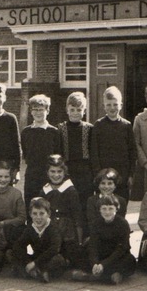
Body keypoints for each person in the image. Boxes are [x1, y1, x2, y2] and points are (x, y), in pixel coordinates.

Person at [90, 86, 136, 217]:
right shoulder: (98, 125)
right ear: (104, 106)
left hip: (122, 174)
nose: (112, 108)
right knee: (104, 207)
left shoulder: (126, 126)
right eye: (108, 105)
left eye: (115, 104)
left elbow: (132, 152)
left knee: (120, 207)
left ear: (120, 105)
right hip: (104, 176)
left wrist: (131, 174)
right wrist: (98, 174)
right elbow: (94, 152)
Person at [71, 196, 136, 284]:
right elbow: (93, 245)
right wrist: (95, 263)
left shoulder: (122, 224)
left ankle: (91, 277)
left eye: (111, 209)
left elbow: (122, 248)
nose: (107, 212)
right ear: (99, 210)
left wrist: (103, 264)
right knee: (80, 256)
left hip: (116, 256)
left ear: (116, 209)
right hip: (101, 255)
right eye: (104, 209)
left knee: (130, 261)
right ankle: (108, 277)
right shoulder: (96, 223)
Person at [38, 154, 84, 269]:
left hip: (67, 232)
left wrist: (79, 240)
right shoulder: (44, 191)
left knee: (71, 256)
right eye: (52, 171)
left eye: (59, 171)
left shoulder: (70, 190)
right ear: (47, 173)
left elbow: (77, 215)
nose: (56, 175)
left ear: (64, 172)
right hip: (51, 229)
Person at [57, 92, 94, 229]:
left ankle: (84, 237)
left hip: (85, 172)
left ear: (84, 111)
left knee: (84, 204)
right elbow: (59, 152)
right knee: (69, 205)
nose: (75, 113)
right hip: (68, 171)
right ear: (67, 110)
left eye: (79, 110)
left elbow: (93, 152)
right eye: (72, 110)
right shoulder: (60, 128)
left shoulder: (89, 128)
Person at [8, 197, 66, 283]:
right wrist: (28, 262)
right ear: (30, 214)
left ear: (48, 214)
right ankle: (37, 273)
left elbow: (54, 249)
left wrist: (35, 263)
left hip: (49, 258)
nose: (38, 217)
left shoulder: (53, 228)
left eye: (42, 213)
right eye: (34, 214)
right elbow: (19, 245)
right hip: (36, 257)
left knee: (59, 259)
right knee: (10, 253)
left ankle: (32, 272)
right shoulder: (31, 228)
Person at [20, 94, 62, 209]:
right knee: (31, 204)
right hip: (31, 176)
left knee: (49, 206)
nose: (38, 112)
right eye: (35, 109)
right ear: (31, 111)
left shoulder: (54, 132)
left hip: (48, 177)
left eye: (41, 109)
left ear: (47, 110)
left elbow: (58, 154)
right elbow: (26, 153)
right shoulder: (26, 132)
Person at [0, 161, 26, 246]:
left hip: (13, 230)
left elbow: (22, 218)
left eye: (6, 176)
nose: (3, 180)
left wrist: (4, 223)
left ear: (10, 177)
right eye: (0, 176)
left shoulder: (16, 193)